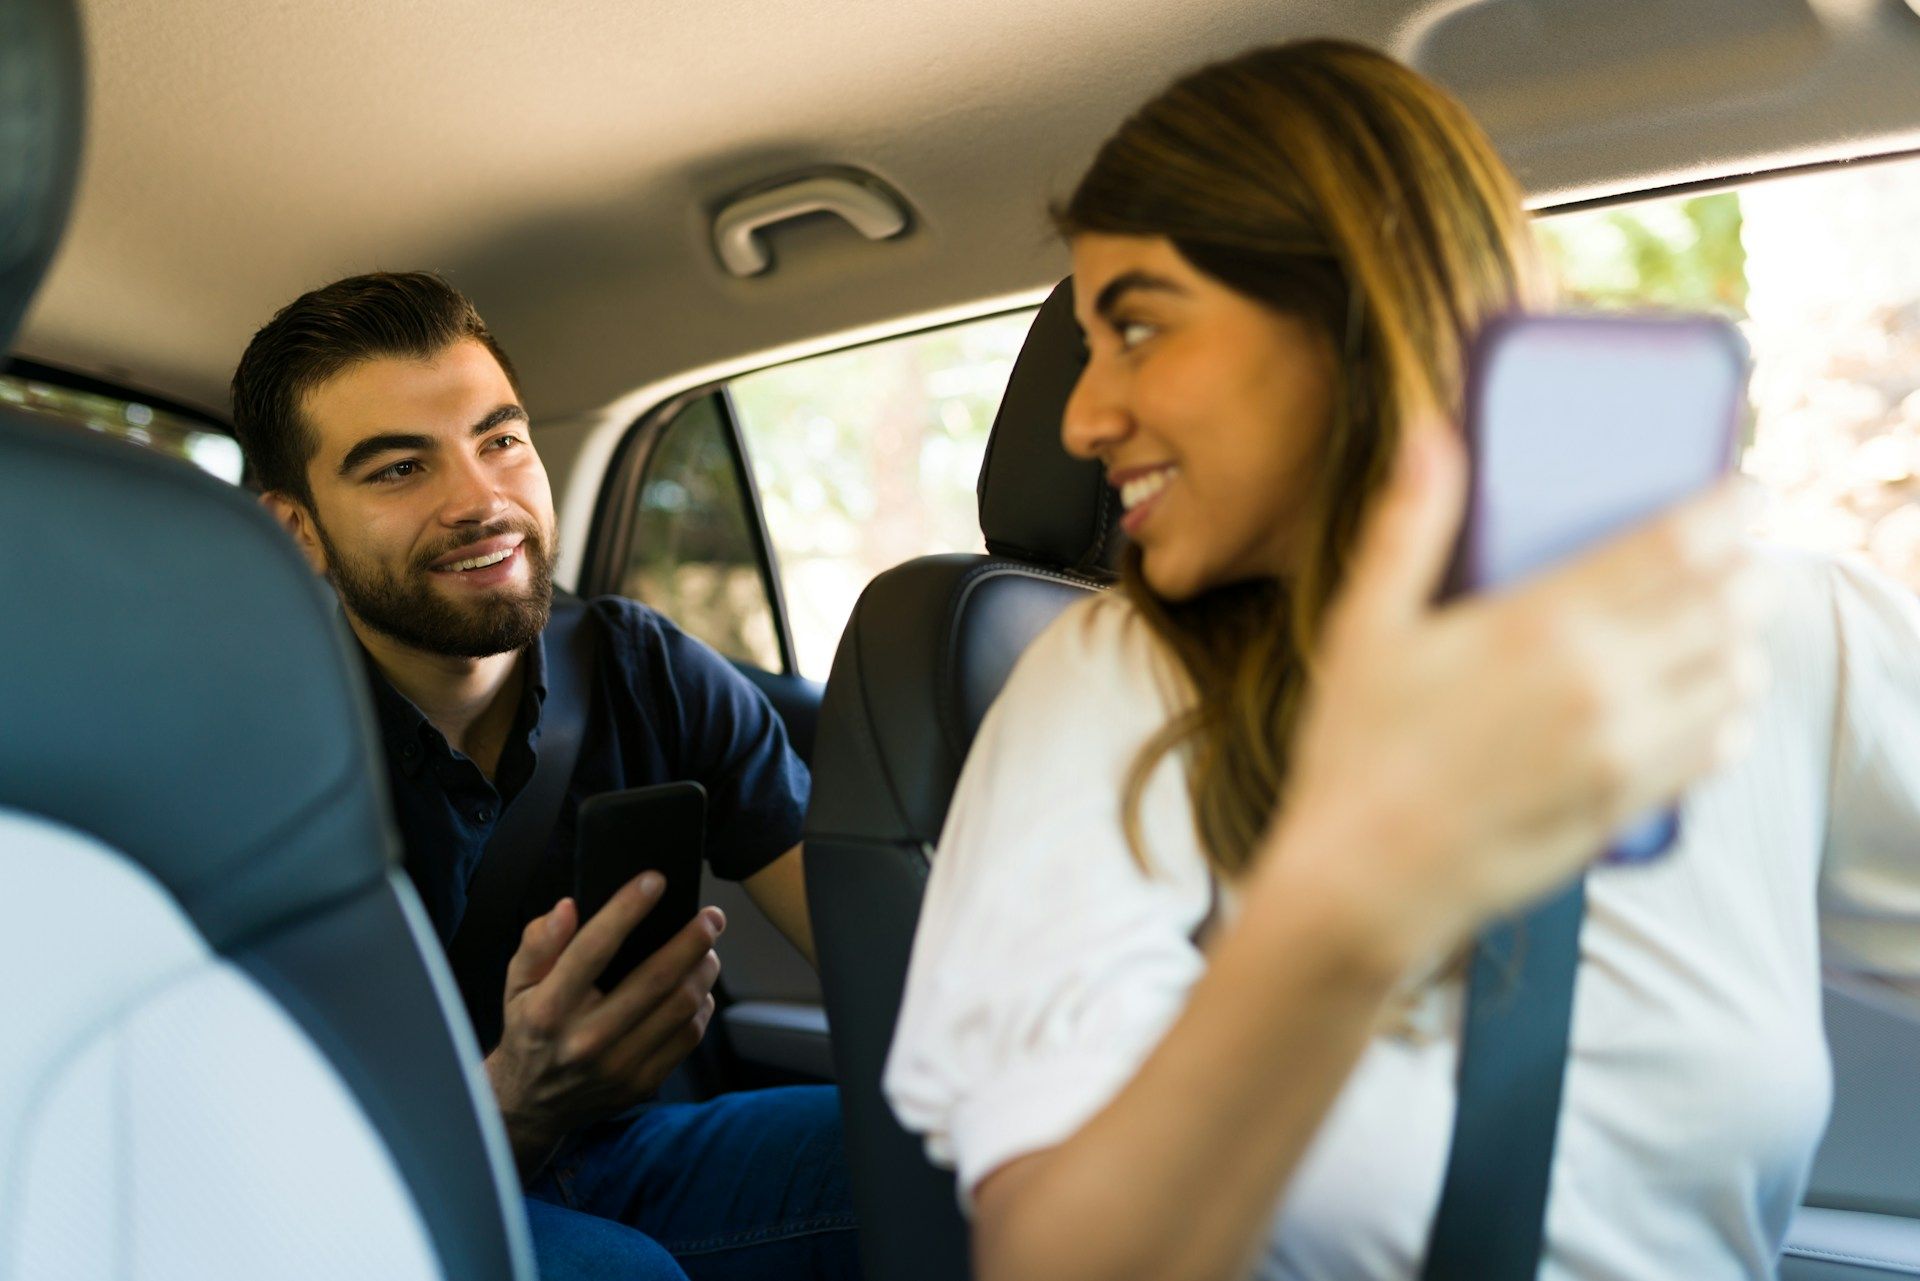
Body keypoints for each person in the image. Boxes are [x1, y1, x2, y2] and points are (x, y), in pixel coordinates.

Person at [883, 38, 1920, 1281]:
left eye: (1141, 327)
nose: (1082, 416)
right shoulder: (1105, 692)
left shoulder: (1780, 633)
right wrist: (1352, 894)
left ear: (1350, 311)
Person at [230, 272, 860, 1281]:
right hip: (354, 1207)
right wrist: (514, 1104)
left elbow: (879, 948)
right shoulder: (236, 748)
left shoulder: (643, 669)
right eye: (398, 469)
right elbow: (242, 1173)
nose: (480, 502)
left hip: (613, 1155)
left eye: (501, 440)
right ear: (298, 529)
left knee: (940, 1160)